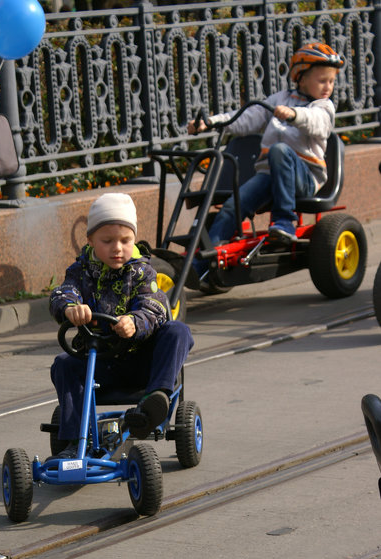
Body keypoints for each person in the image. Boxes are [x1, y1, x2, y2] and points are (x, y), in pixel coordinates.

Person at [49, 192, 194, 457]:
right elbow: (62, 293)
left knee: (178, 331)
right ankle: (74, 442)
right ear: (91, 240)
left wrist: (135, 322)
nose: (117, 248)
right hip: (101, 364)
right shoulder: (80, 273)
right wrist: (70, 308)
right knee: (64, 364)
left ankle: (156, 399)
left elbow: (155, 305)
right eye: (107, 241)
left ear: (134, 240)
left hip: (142, 363)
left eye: (125, 240)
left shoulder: (142, 272)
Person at [188, 41, 344, 286]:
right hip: (270, 176)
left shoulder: (323, 106)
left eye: (331, 81)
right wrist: (210, 122)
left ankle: (284, 222)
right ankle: (199, 264)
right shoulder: (279, 99)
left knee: (280, 150)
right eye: (322, 80)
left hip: (304, 177)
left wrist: (294, 115)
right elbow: (245, 119)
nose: (328, 87)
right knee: (232, 206)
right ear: (301, 78)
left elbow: (318, 123)